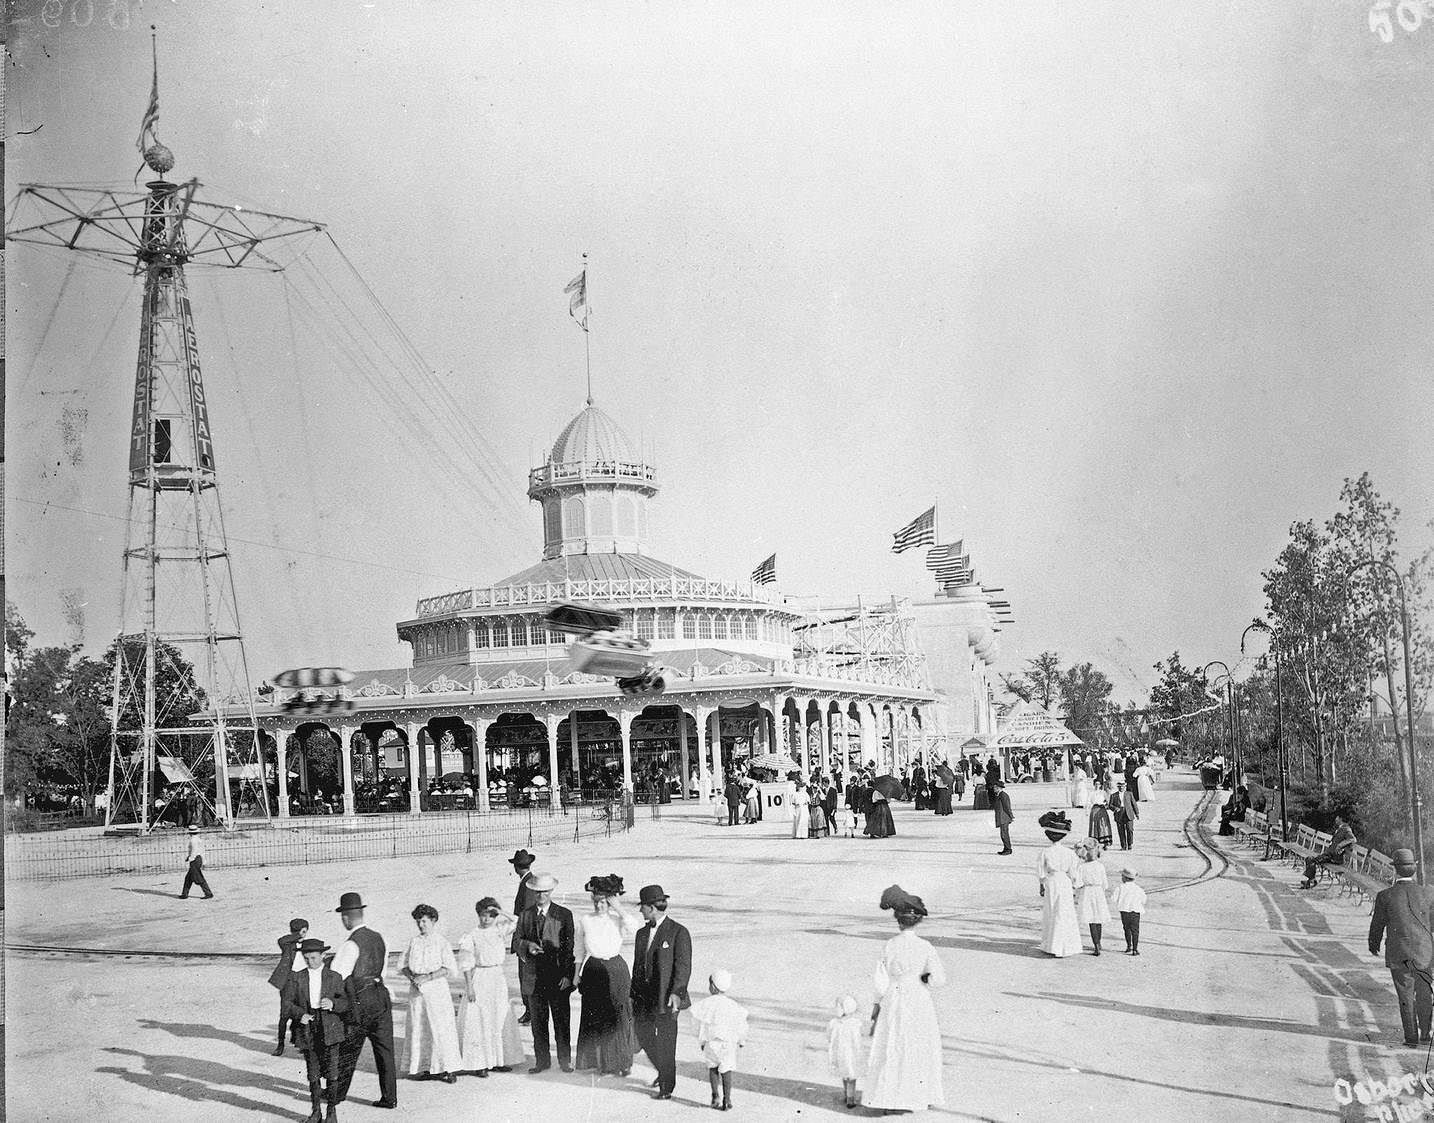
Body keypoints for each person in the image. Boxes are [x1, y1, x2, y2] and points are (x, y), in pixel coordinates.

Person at [865, 886, 946, 1111]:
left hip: (894, 997)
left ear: (898, 921)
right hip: (918, 997)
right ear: (917, 921)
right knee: (918, 1043)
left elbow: (880, 981)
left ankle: (888, 1096)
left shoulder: (890, 945)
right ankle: (917, 1095)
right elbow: (939, 979)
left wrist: (876, 1005)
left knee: (893, 1043)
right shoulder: (925, 947)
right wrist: (925, 977)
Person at [331, 891, 399, 1110]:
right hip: (381, 996)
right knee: (385, 1052)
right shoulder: (381, 938)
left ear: (345, 918)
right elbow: (383, 972)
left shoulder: (350, 945)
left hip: (360, 1001)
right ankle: (390, 1098)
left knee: (348, 1050)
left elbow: (336, 978)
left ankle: (337, 1094)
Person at [630, 883, 692, 1100]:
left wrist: (677, 993)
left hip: (667, 999)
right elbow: (637, 967)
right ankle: (664, 1071)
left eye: (642, 907)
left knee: (666, 1042)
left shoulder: (678, 932)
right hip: (644, 999)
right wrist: (632, 996)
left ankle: (667, 1085)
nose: (640, 911)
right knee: (644, 1036)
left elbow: (683, 967)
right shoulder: (641, 934)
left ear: (651, 907)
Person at [1368, 847, 1434, 1047]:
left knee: (1405, 994)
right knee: (1425, 993)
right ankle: (1426, 1034)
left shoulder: (1385, 896)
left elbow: (1377, 925)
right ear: (1414, 868)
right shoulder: (1428, 893)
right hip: (1425, 952)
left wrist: (1374, 945)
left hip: (1399, 952)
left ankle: (1411, 1037)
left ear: (1395, 870)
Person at [573, 874, 638, 1076]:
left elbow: (636, 928)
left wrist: (617, 906)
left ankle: (622, 1061)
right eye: (596, 901)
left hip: (617, 970)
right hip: (593, 970)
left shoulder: (619, 919)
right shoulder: (585, 920)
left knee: (619, 1016)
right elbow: (579, 950)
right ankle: (602, 1062)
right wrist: (576, 974)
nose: (599, 906)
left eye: (603, 902)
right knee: (597, 1015)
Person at [281, 937, 351, 1123]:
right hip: (308, 1027)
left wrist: (333, 1003)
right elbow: (287, 1004)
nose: (310, 962)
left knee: (332, 1073)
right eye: (306, 958)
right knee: (313, 1072)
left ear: (323, 956)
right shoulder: (297, 977)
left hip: (330, 1026)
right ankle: (315, 1111)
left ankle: (331, 1112)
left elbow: (346, 1004)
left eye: (313, 958)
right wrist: (299, 1014)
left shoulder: (334, 977)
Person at [515, 872, 576, 1074]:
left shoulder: (564, 914)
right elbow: (516, 941)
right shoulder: (525, 915)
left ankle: (565, 1060)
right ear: (532, 892)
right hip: (534, 977)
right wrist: (527, 945)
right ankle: (542, 1061)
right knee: (538, 1022)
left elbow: (569, 947)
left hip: (557, 975)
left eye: (545, 891)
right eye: (537, 892)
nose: (541, 895)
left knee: (561, 1020)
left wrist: (568, 975)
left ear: (551, 891)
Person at [457, 896, 524, 1076]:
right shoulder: (471, 935)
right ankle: (479, 1063)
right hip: (480, 977)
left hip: (497, 978)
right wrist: (470, 987)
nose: (486, 919)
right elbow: (466, 963)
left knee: (497, 1017)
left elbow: (517, 920)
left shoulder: (499, 930)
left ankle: (497, 1060)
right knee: (479, 1019)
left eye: (490, 915)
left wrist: (500, 911)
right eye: (482, 915)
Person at [398, 903, 462, 1083]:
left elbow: (449, 968)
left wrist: (427, 977)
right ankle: (424, 1067)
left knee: (440, 1028)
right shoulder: (414, 942)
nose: (421, 925)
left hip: (436, 990)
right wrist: (413, 978)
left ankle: (446, 1068)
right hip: (417, 992)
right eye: (418, 921)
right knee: (420, 1027)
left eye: (424, 921)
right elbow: (402, 965)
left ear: (433, 921)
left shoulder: (441, 942)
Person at [690, 969, 748, 1111]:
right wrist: (741, 1040)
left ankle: (715, 1094)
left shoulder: (706, 1004)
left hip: (711, 1042)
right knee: (726, 1070)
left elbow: (697, 1024)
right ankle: (727, 1099)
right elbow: (741, 1025)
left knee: (713, 1068)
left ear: (713, 987)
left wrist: (701, 1041)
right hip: (727, 1044)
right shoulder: (732, 1006)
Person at [1036, 811, 1083, 957]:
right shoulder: (1069, 853)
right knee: (1065, 911)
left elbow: (1040, 871)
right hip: (1065, 882)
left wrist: (1042, 883)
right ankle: (1067, 945)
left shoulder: (1045, 852)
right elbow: (1074, 872)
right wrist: (1076, 885)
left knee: (1052, 912)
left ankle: (1052, 945)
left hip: (1052, 882)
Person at [268, 917, 308, 1056]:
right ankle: (280, 1044)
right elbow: (281, 940)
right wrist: (298, 935)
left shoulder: (308, 944)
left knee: (303, 1011)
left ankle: (302, 1042)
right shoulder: (287, 944)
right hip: (289, 981)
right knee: (285, 1014)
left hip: (303, 981)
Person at [509, 849, 540, 1025]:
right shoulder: (528, 881)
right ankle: (530, 1011)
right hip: (526, 937)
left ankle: (531, 1012)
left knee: (526, 976)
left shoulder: (527, 883)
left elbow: (526, 914)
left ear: (516, 867)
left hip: (525, 938)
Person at [1073, 842, 1111, 955]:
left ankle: (1096, 944)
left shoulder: (1082, 867)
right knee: (1098, 918)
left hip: (1087, 892)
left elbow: (1078, 883)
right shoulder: (1100, 866)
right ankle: (1099, 942)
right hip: (1098, 891)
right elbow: (1105, 884)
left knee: (1090, 919)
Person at [827, 995, 863, 1109]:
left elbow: (828, 1036)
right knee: (851, 1076)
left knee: (844, 1074)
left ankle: (846, 1095)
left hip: (838, 1054)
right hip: (851, 1054)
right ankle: (850, 1099)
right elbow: (857, 1040)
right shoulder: (855, 1023)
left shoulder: (833, 1023)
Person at [1301, 815, 1355, 889]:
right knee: (1309, 859)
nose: (1335, 819)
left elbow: (1352, 839)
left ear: (1341, 819)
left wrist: (1340, 845)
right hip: (1329, 855)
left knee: (1311, 860)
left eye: (1337, 817)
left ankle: (1310, 881)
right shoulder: (1340, 828)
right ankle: (1311, 880)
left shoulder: (1346, 829)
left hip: (1334, 858)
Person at [1112, 869, 1147, 955]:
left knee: (1126, 929)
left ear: (1125, 878)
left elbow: (1113, 898)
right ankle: (1135, 949)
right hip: (1135, 911)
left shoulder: (1120, 887)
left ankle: (1129, 946)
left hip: (1124, 911)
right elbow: (1144, 900)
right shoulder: (1138, 888)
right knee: (1135, 930)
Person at [179, 825, 213, 900]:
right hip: (198, 858)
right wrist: (203, 861)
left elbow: (194, 851)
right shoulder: (198, 839)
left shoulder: (193, 840)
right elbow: (201, 851)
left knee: (198, 877)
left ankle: (208, 893)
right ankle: (184, 894)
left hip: (195, 860)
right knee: (188, 878)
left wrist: (190, 858)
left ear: (190, 833)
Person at [1111, 781, 1139, 850]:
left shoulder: (1129, 794)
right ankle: (1123, 846)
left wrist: (1137, 813)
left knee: (1130, 829)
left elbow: (1134, 804)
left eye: (1123, 786)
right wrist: (1115, 808)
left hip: (1128, 813)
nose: (1121, 788)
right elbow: (1110, 805)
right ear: (1118, 787)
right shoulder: (1114, 795)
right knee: (1121, 830)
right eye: (1120, 786)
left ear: (1125, 787)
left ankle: (1130, 844)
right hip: (1119, 814)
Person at [992, 778, 1014, 855]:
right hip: (1002, 817)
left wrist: (1010, 815)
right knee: (1003, 834)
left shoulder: (1003, 795)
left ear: (999, 788)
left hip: (1004, 817)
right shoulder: (999, 795)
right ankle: (1006, 848)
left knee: (1004, 834)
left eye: (995, 787)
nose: (994, 789)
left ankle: (1008, 849)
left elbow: (1007, 806)